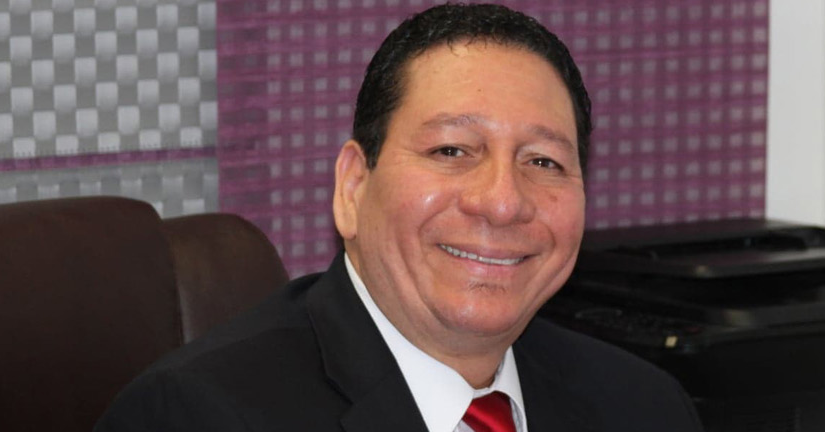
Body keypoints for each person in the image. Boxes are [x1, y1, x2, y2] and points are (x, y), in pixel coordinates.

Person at [96, 4, 703, 431]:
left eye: (543, 161)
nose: (502, 202)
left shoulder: (645, 407)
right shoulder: (194, 415)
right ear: (353, 187)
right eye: (452, 151)